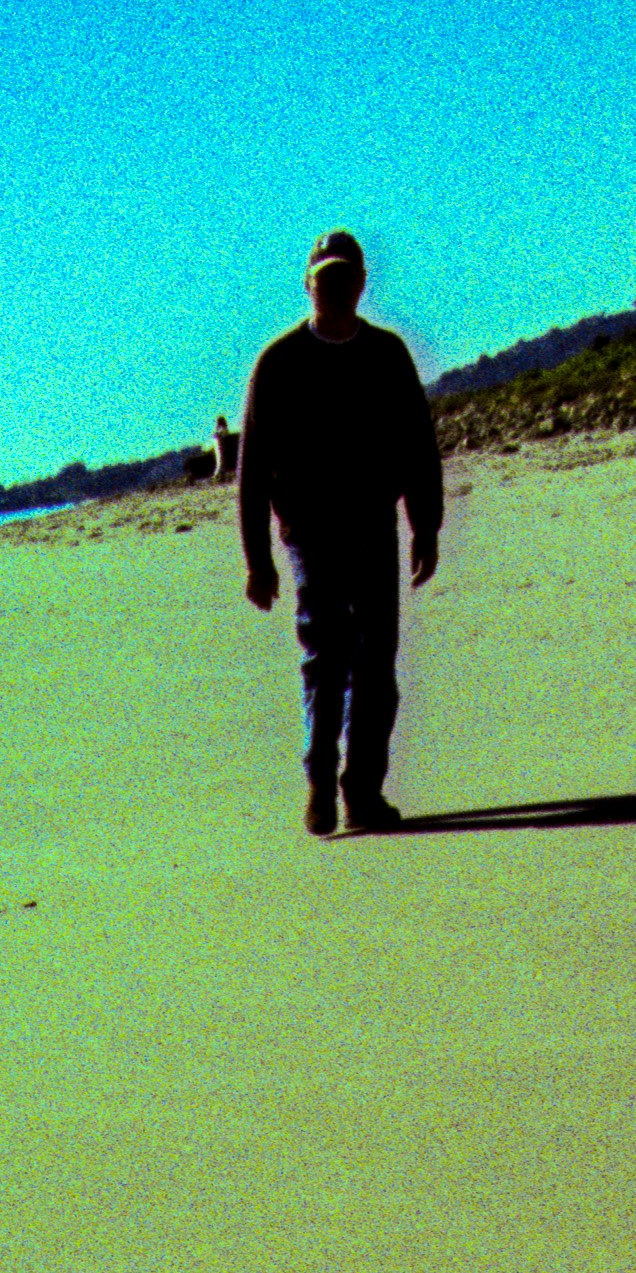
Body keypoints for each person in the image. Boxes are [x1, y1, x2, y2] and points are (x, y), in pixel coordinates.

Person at [237, 234, 443, 837]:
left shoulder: (387, 355)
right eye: (323, 276)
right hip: (308, 534)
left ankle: (362, 790)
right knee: (325, 660)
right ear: (308, 284)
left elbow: (416, 445)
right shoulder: (278, 362)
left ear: (360, 284)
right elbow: (251, 467)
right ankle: (320, 785)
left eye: (344, 276)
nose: (333, 285)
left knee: (377, 662)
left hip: (373, 526)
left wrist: (424, 525)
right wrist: (257, 559)